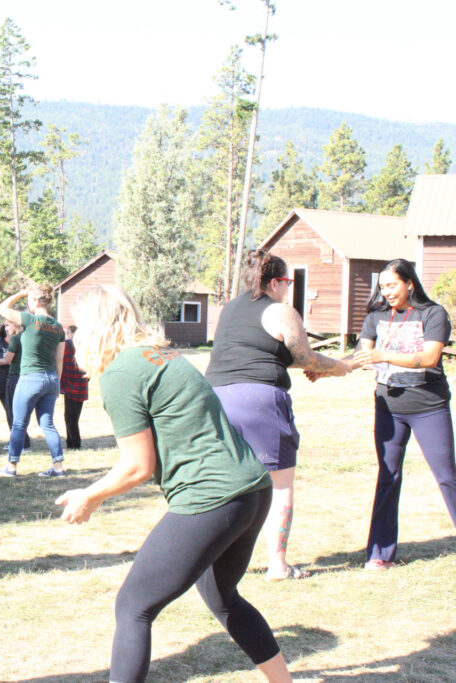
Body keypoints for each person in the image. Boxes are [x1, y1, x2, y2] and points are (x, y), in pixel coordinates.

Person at [56, 284, 292, 683]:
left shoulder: (121, 373)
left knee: (133, 606)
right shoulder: (159, 354)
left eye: (78, 327)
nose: (75, 336)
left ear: (96, 327)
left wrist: (90, 495)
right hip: (252, 489)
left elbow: (138, 466)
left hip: (213, 497)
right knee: (222, 597)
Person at [206, 249, 350, 580]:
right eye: (287, 282)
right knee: (280, 485)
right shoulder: (280, 311)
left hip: (215, 398)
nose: (288, 288)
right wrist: (338, 366)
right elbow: (307, 357)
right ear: (275, 282)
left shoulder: (229, 309)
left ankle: (216, 559)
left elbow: (257, 351)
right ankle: (278, 565)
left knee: (226, 482)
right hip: (259, 401)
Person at [348, 258, 455, 570]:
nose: (387, 292)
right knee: (388, 477)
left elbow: (430, 357)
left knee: (447, 476)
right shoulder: (377, 316)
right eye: (382, 287)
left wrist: (383, 354)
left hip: (428, 407)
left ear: (409, 283)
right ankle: (380, 554)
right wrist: (327, 368)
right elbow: (360, 356)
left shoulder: (433, 313)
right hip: (388, 408)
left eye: (392, 285)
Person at [0, 285, 65, 477]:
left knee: (19, 424)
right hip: (51, 379)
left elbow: (2, 308)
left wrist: (21, 293)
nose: (27, 304)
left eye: (29, 300)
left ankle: (11, 467)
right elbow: (59, 359)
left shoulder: (29, 319)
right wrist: (57, 384)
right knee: (48, 425)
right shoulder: (58, 327)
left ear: (35, 300)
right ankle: (58, 467)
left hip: (30, 378)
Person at [2, 320, 31, 453]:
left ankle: (22, 444)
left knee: (12, 412)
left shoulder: (16, 339)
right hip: (29, 376)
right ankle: (22, 442)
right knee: (22, 411)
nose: (6, 329)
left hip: (15, 377)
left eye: (8, 325)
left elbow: (7, 359)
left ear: (16, 324)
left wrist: (4, 355)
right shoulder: (31, 336)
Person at [60, 325, 88, 450]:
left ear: (71, 333)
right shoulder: (85, 347)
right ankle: (71, 441)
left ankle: (74, 443)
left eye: (68, 333)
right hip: (82, 384)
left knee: (69, 417)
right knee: (74, 417)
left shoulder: (66, 345)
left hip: (70, 384)